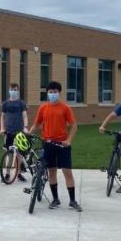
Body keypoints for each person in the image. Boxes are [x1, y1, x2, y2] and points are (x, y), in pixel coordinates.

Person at [29, 81, 82, 212]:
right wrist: (28, 134)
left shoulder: (65, 108)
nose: (53, 94)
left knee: (67, 172)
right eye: (50, 92)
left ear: (59, 93)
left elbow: (74, 125)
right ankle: (55, 199)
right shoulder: (43, 108)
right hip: (48, 144)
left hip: (62, 144)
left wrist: (69, 140)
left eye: (55, 92)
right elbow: (36, 124)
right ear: (47, 93)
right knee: (51, 171)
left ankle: (72, 200)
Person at [0, 83, 29, 182]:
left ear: (18, 91)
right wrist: (2, 128)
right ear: (9, 90)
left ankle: (18, 173)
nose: (14, 91)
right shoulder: (5, 103)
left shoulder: (21, 103)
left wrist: (25, 127)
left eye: (16, 89)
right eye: (12, 89)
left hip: (19, 133)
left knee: (19, 154)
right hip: (8, 132)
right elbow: (2, 117)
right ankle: (7, 174)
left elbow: (25, 116)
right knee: (8, 154)